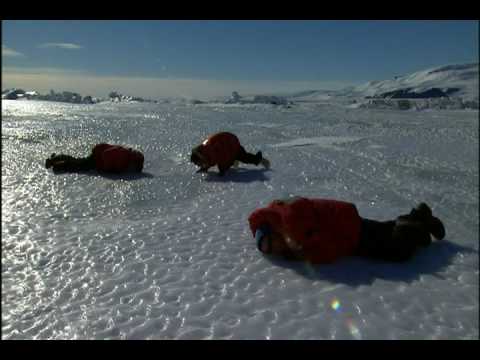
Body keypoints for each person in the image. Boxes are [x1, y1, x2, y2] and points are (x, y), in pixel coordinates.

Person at [248, 197, 445, 263]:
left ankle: (420, 226)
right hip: (340, 215)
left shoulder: (293, 226)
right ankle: (416, 217)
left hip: (345, 229)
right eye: (270, 249)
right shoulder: (276, 215)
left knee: (398, 252)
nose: (276, 248)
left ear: (274, 232)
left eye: (272, 243)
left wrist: (301, 255)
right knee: (382, 230)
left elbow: (329, 250)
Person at [190, 132, 270, 176]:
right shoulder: (204, 152)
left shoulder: (212, 154)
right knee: (234, 158)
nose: (198, 165)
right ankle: (234, 159)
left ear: (200, 159)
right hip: (226, 141)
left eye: (198, 164)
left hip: (232, 144)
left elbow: (223, 160)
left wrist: (222, 171)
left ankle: (259, 159)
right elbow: (208, 162)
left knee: (244, 157)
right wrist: (204, 168)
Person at [45, 143, 144, 174]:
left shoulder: (127, 157)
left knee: (79, 164)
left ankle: (57, 162)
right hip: (97, 156)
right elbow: (106, 154)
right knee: (79, 164)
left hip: (99, 156)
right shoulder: (124, 154)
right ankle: (54, 162)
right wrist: (106, 168)